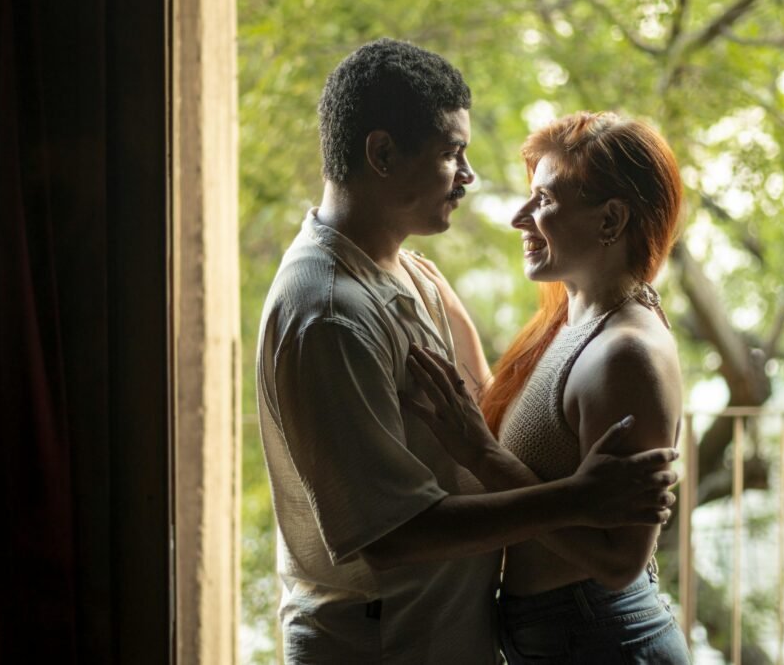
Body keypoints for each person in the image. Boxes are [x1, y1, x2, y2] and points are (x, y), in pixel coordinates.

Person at [255, 39, 680, 664]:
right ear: (381, 153)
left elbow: (477, 430)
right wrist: (579, 498)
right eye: (453, 152)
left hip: (457, 633)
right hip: (383, 643)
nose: (471, 177)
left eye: (546, 199)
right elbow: (391, 534)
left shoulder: (407, 276)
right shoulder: (328, 313)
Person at [404, 111, 693, 663]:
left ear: (611, 220)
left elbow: (619, 561)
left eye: (544, 201)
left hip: (597, 639)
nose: (520, 218)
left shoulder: (625, 356)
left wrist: (477, 454)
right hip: (561, 632)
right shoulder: (576, 320)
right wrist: (452, 316)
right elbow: (539, 445)